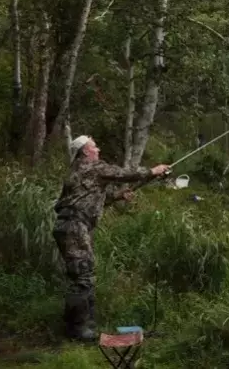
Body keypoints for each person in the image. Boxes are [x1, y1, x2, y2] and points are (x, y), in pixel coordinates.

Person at [52, 135, 171, 341]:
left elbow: (89, 197)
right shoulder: (94, 167)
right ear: (86, 152)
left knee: (81, 274)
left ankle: (80, 327)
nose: (98, 150)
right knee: (83, 276)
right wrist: (153, 171)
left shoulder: (77, 172)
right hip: (75, 226)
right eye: (95, 147)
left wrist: (118, 196)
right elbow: (124, 174)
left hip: (68, 225)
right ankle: (79, 331)